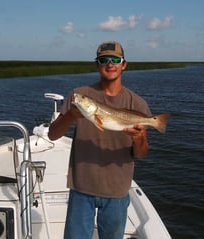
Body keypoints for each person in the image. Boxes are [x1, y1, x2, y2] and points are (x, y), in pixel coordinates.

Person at [48, 41, 151, 239]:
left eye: (115, 60)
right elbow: (53, 135)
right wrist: (70, 116)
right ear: (97, 64)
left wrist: (139, 139)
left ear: (124, 64)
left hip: (117, 191)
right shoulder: (79, 96)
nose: (110, 64)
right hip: (81, 187)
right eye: (104, 60)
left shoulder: (137, 104)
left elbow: (142, 153)